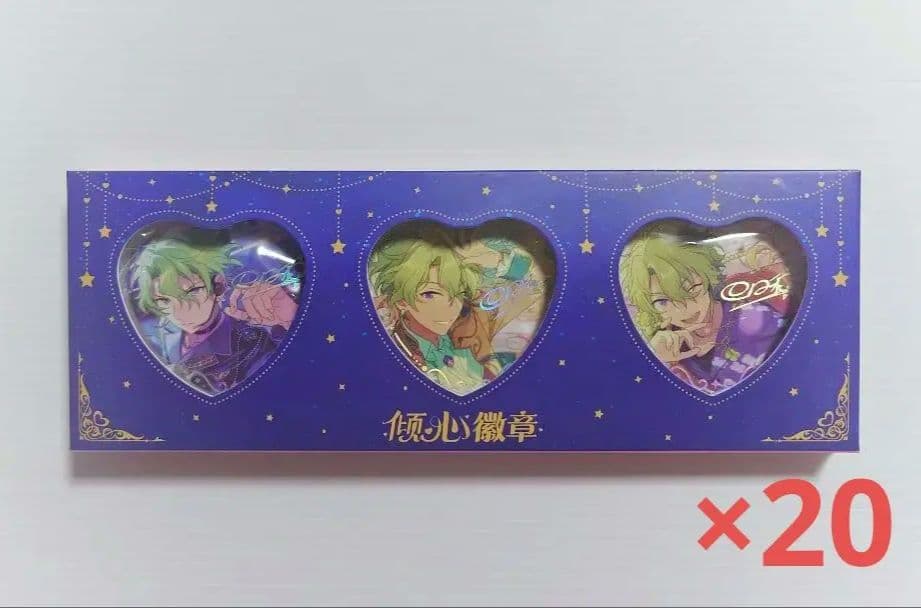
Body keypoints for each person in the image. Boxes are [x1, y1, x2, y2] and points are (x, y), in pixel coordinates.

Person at [368, 226, 545, 396]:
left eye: (458, 294)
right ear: (401, 302)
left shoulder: (471, 323)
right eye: (430, 294)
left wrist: (500, 260)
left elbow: (536, 286)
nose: (450, 307)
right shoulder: (391, 347)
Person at [619, 229, 791, 395]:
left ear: (708, 278)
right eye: (662, 302)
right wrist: (659, 362)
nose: (683, 310)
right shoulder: (663, 345)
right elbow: (644, 398)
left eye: (691, 289)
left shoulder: (759, 320)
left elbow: (788, 373)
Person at [128, 235, 297, 396]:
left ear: (218, 285)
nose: (179, 312)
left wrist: (289, 321)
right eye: (163, 300)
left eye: (191, 292)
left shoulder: (252, 344)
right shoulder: (154, 332)